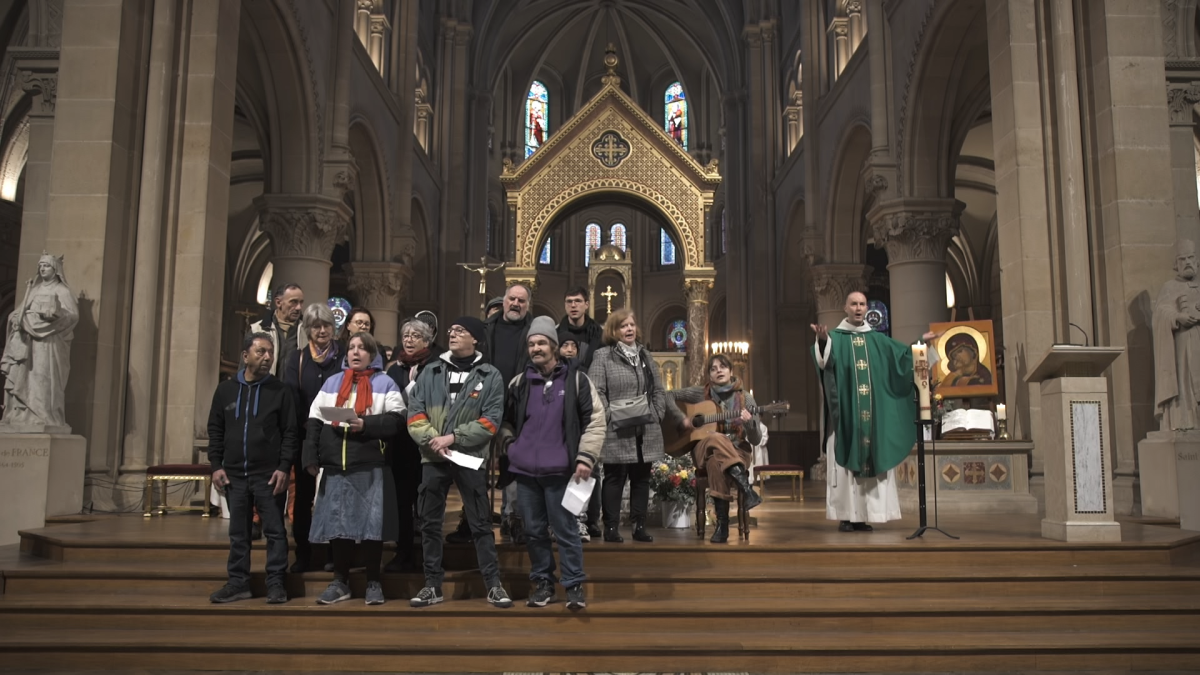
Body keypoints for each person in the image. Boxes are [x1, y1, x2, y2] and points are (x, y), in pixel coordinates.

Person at [499, 317, 603, 609]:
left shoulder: (577, 380)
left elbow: (596, 421)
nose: (536, 348)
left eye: (542, 343)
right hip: (526, 473)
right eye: (532, 344)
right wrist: (510, 444)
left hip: (561, 472)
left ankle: (573, 586)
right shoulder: (519, 383)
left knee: (566, 530)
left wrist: (585, 457)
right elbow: (505, 420)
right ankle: (543, 583)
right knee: (533, 531)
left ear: (555, 347)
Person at [406, 317, 512, 609]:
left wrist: (452, 438)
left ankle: (493, 584)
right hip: (433, 456)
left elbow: (490, 422)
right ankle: (432, 585)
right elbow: (415, 413)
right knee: (429, 522)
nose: (452, 334)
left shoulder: (490, 375)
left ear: (475, 339)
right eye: (451, 330)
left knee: (479, 523)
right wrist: (433, 440)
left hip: (468, 457)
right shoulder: (431, 371)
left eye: (460, 331)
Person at [303, 332, 404, 605]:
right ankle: (339, 581)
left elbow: (397, 420)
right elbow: (314, 420)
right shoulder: (333, 383)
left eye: (362, 348)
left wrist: (366, 425)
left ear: (372, 354)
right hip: (336, 465)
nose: (355, 352)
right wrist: (310, 455)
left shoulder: (385, 382)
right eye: (351, 348)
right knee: (338, 524)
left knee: (372, 526)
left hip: (369, 464)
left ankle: (373, 581)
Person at [811, 291, 924, 532]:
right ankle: (846, 516)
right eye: (854, 303)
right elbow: (824, 363)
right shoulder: (836, 338)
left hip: (873, 419)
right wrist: (822, 340)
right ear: (845, 307)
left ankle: (865, 515)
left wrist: (923, 344)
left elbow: (903, 359)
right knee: (846, 469)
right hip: (847, 419)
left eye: (862, 303)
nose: (859, 308)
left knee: (872, 465)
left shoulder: (878, 340)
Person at [207, 333, 299, 604]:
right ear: (245, 356)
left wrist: (284, 467)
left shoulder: (280, 391)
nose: (267, 357)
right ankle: (238, 583)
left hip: (268, 475)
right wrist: (215, 465)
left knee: (275, 531)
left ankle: (276, 583)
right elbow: (216, 429)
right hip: (234, 474)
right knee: (239, 532)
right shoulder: (225, 390)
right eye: (261, 352)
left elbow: (290, 433)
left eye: (270, 352)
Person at [587, 308, 667, 543]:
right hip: (617, 429)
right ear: (614, 330)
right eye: (623, 325)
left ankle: (639, 526)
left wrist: (657, 413)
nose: (629, 329)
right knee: (615, 478)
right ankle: (610, 527)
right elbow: (596, 390)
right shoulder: (603, 356)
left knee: (641, 479)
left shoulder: (645, 355)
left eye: (632, 324)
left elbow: (659, 389)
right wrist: (611, 414)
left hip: (646, 427)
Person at [665, 354, 763, 543]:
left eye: (723, 367)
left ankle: (723, 525)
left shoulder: (746, 398)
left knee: (715, 463)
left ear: (731, 371)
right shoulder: (700, 393)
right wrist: (681, 418)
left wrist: (750, 424)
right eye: (713, 368)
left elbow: (756, 440)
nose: (718, 370)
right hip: (703, 446)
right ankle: (746, 489)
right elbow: (668, 395)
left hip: (738, 451)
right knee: (715, 437)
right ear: (709, 374)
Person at [283, 303, 343, 572]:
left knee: (333, 496)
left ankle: (335, 553)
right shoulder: (295, 359)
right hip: (306, 437)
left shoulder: (343, 356)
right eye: (316, 326)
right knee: (304, 496)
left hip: (336, 436)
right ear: (307, 330)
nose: (322, 330)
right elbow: (292, 401)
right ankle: (304, 555)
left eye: (327, 325)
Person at [383, 317, 440, 573]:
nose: (408, 340)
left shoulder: (437, 367)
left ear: (427, 341)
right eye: (405, 336)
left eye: (415, 336)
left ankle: (430, 558)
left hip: (428, 442)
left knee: (427, 504)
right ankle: (403, 552)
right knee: (402, 503)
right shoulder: (393, 369)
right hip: (402, 444)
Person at [0, 253, 79, 429]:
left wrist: (54, 316)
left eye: (47, 266)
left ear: (56, 269)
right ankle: (21, 414)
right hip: (28, 344)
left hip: (48, 345)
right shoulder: (34, 290)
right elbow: (18, 313)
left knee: (43, 380)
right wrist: (17, 318)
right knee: (25, 378)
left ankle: (43, 415)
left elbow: (72, 316)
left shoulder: (62, 291)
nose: (42, 268)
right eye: (41, 266)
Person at [484, 284, 533, 542]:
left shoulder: (533, 331)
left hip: (518, 408)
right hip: (485, 407)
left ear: (527, 304)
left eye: (521, 300)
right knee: (478, 464)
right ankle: (476, 519)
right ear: (504, 302)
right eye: (512, 299)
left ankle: (511, 517)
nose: (516, 304)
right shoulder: (486, 330)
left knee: (513, 462)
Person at [1153, 239, 1200, 431]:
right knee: (1185, 381)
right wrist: (1178, 317)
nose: (1187, 262)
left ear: (1197, 261)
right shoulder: (1170, 287)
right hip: (1184, 343)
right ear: (1176, 264)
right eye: (1182, 259)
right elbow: (1160, 314)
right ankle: (1186, 420)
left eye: (1191, 258)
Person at [250, 283, 305, 377]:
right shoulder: (258, 329)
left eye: (301, 302)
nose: (298, 307)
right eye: (293, 302)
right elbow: (246, 366)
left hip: (295, 390)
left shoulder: (307, 331)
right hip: (266, 388)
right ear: (278, 302)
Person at [557, 286, 605, 370]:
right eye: (569, 301)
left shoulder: (599, 334)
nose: (573, 305)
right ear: (565, 305)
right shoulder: (556, 334)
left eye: (578, 301)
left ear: (587, 304)